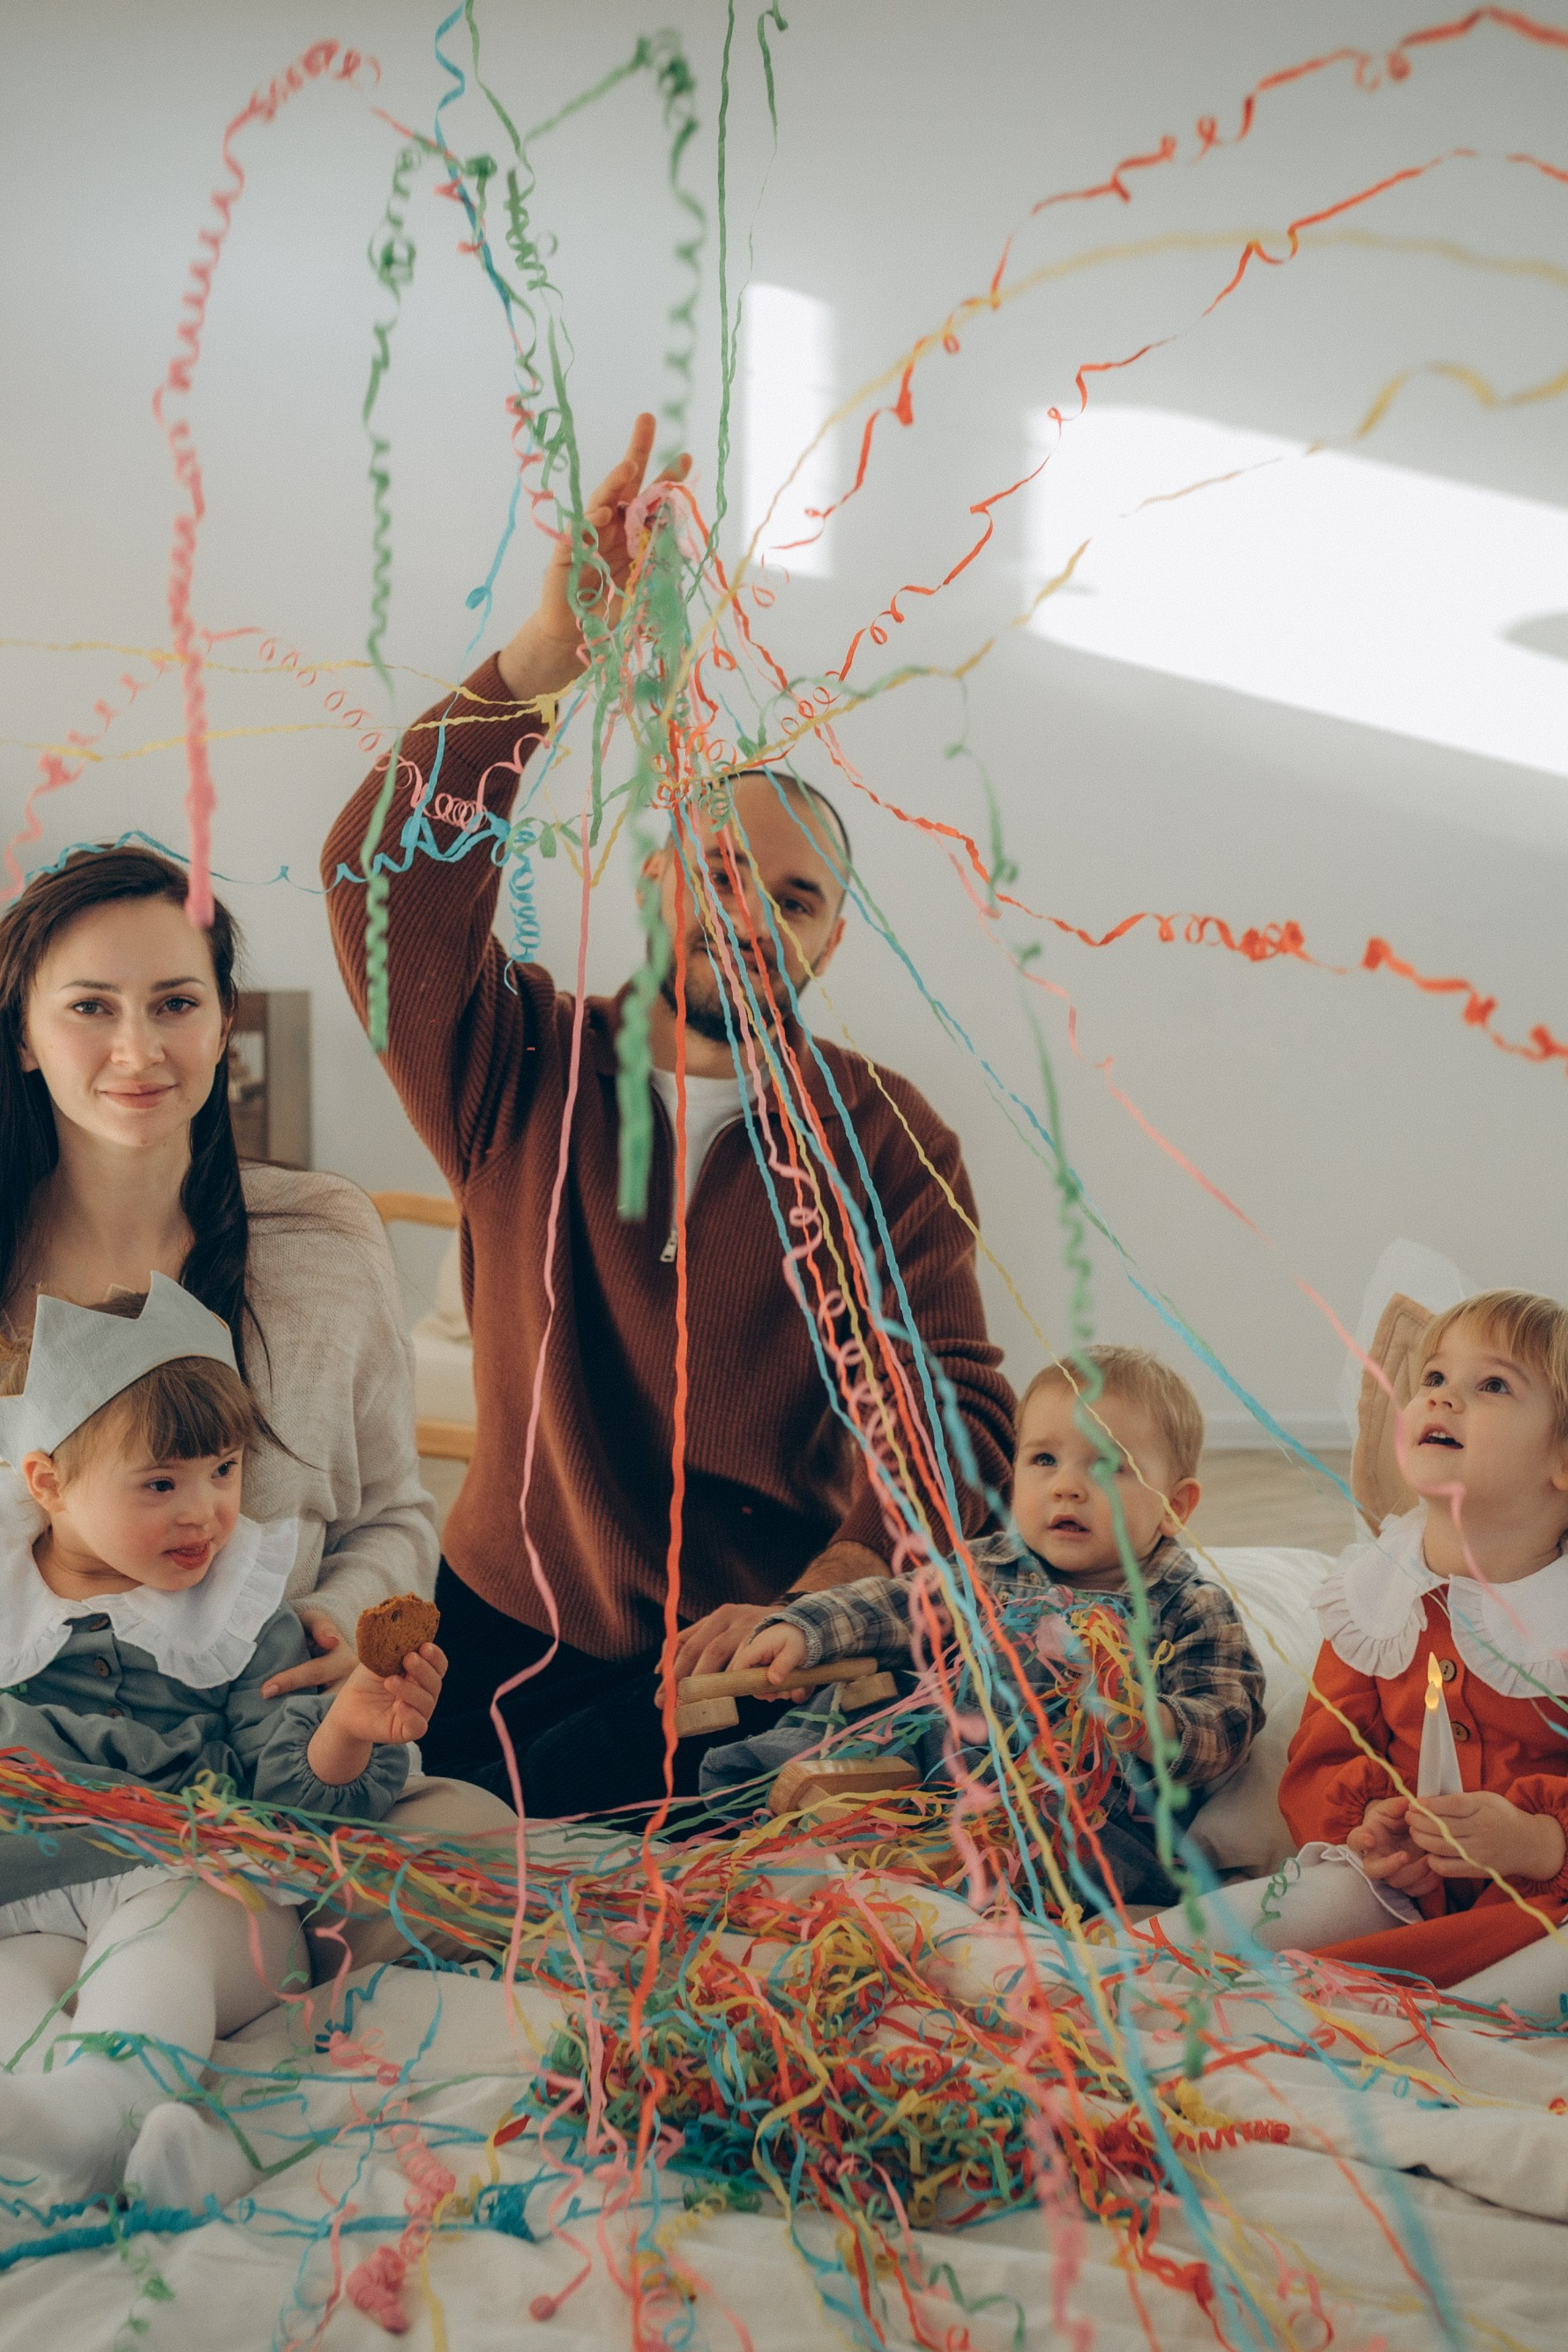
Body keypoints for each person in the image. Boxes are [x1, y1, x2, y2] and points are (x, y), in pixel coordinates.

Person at [321, 415, 1014, 1809]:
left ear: (829, 941)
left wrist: (837, 1584)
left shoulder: (885, 1133)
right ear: (655, 886)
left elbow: (950, 1401)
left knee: (672, 1887)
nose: (750, 914)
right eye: (719, 871)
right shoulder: (517, 1063)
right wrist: (541, 663)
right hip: (504, 1617)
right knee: (435, 1859)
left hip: (743, 1652)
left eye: (795, 898)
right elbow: (381, 882)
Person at [0, 842, 514, 1905]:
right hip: (39, 1795)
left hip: (286, 1773)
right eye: (90, 1007)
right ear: (23, 1036)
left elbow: (396, 1512)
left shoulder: (323, 1238)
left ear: (224, 1021)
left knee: (491, 1856)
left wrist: (344, 1621)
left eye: (176, 1003)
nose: (139, 1048)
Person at [0, 1279, 445, 2210]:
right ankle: (112, 2140)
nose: (204, 1513)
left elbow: (291, 1798)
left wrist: (347, 1729)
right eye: (161, 1484)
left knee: (152, 1946)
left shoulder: (237, 1614)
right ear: (48, 1484)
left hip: (207, 1888)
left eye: (225, 1471)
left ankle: (104, 2113)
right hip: (33, 1895)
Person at [717, 1344, 1265, 1907]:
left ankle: (955, 1880)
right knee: (843, 1729)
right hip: (938, 1770)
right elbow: (892, 1605)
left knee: (1062, 1852)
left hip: (1079, 1810)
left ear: (1175, 1507)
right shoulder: (993, 1567)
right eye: (1044, 1460)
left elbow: (1227, 1720)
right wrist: (804, 1629)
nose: (1066, 1486)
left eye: (1107, 1465)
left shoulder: (1189, 1607)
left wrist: (1147, 1724)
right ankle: (815, 1825)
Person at [1152, 1290, 1568, 2012]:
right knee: (1238, 1922)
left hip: (1548, 1907)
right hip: (1400, 1889)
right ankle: (1107, 1966)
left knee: (1515, 1993)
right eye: (1433, 1377)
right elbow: (1324, 1751)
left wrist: (1539, 1842)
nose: (1442, 1398)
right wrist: (1370, 1826)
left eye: (1492, 1385)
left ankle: (1441, 2032)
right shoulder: (1374, 1596)